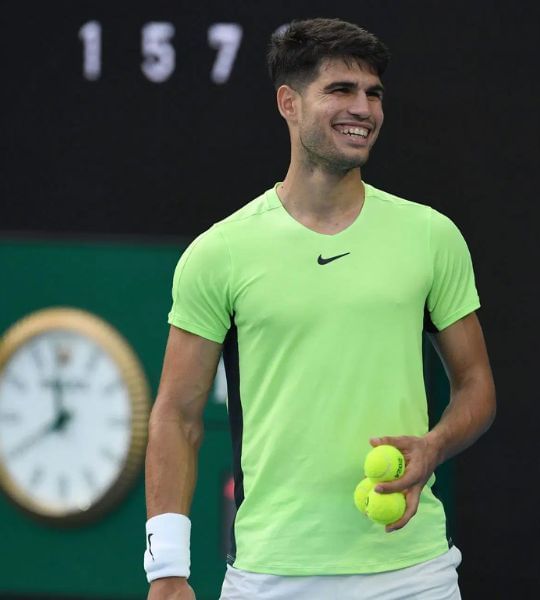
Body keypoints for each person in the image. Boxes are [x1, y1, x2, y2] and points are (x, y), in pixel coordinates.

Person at [143, 18, 495, 600]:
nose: (363, 109)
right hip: (268, 577)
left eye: (373, 94)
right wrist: (167, 570)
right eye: (341, 90)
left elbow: (477, 384)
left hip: (415, 576)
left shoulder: (432, 236)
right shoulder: (219, 252)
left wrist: (432, 447)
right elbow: (176, 417)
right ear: (289, 102)